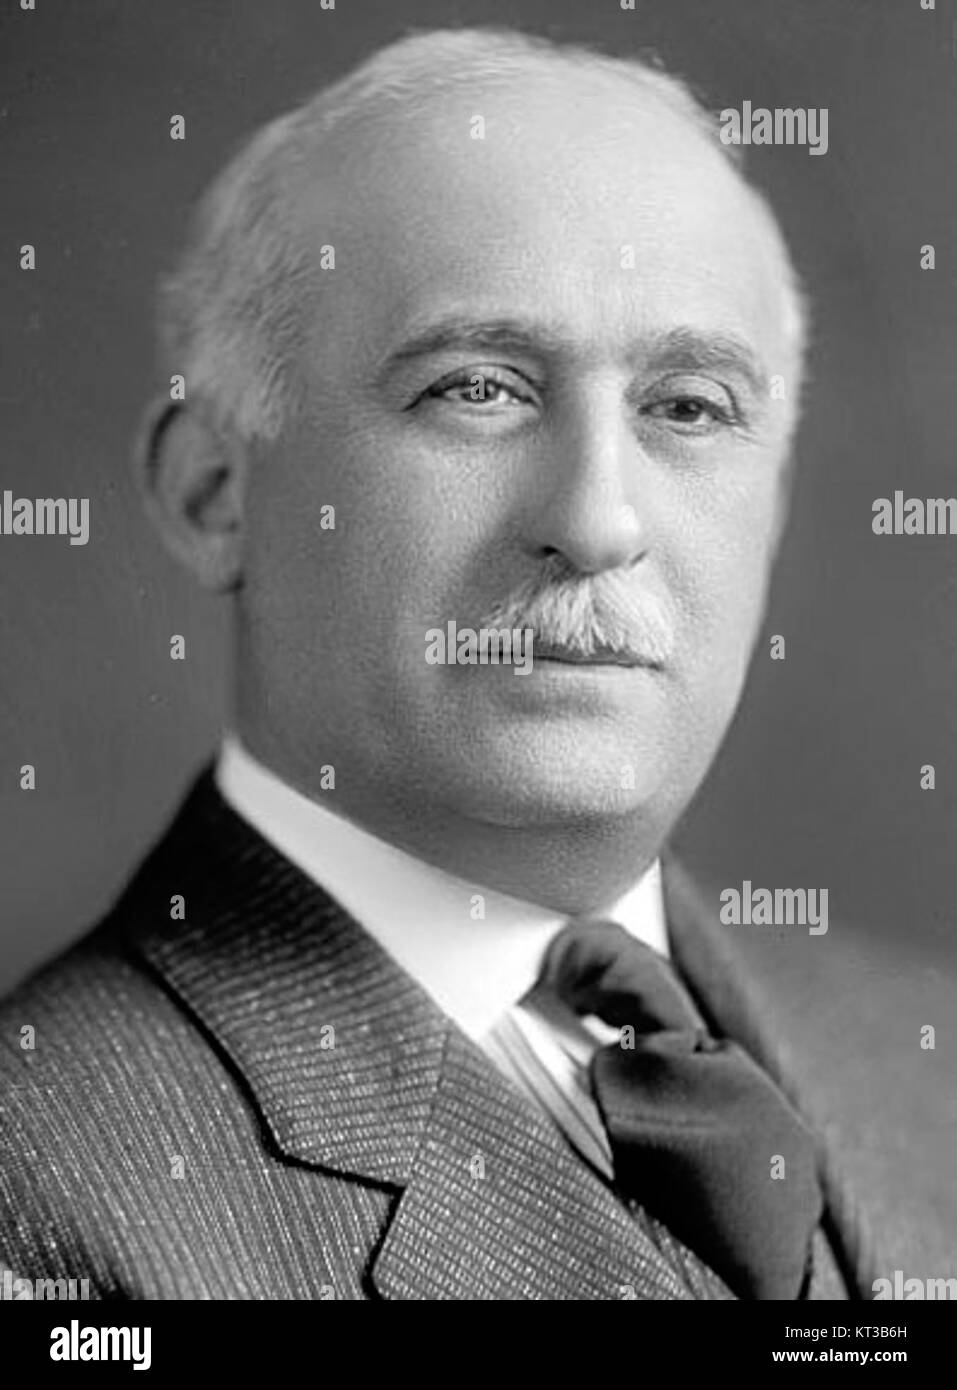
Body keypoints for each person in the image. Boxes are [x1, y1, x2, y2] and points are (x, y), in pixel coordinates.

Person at [0, 26, 952, 1301]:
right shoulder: (39, 1197)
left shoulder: (927, 1051)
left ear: (770, 507)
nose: (600, 521)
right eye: (479, 388)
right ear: (215, 492)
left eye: (688, 406)